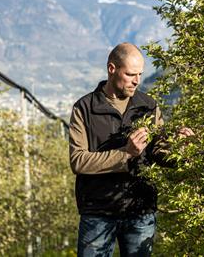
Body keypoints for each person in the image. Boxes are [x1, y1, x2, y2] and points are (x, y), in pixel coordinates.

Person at [69, 42, 193, 256]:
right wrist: (125, 154)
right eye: (130, 74)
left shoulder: (148, 106)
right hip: (98, 212)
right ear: (111, 69)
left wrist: (180, 148)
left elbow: (159, 154)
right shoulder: (84, 108)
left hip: (140, 211)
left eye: (140, 74)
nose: (136, 81)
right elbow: (78, 161)